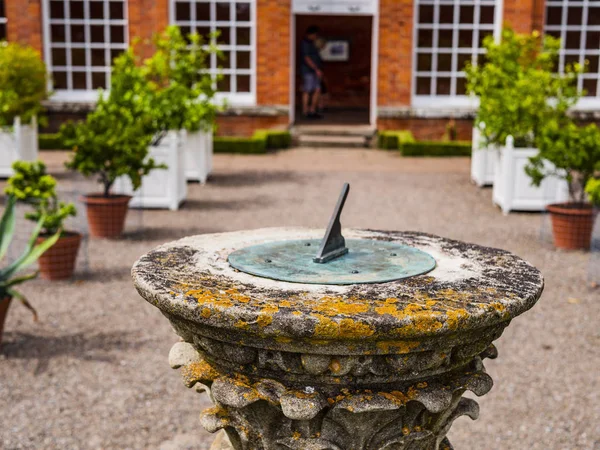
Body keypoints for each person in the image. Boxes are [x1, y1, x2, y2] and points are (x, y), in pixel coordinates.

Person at [300, 26, 323, 119]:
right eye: (314, 35)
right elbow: (307, 58)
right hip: (308, 71)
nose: (315, 37)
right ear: (310, 34)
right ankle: (305, 111)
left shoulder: (313, 43)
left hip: (315, 71)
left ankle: (312, 110)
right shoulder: (305, 43)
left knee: (317, 89)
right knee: (307, 90)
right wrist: (316, 69)